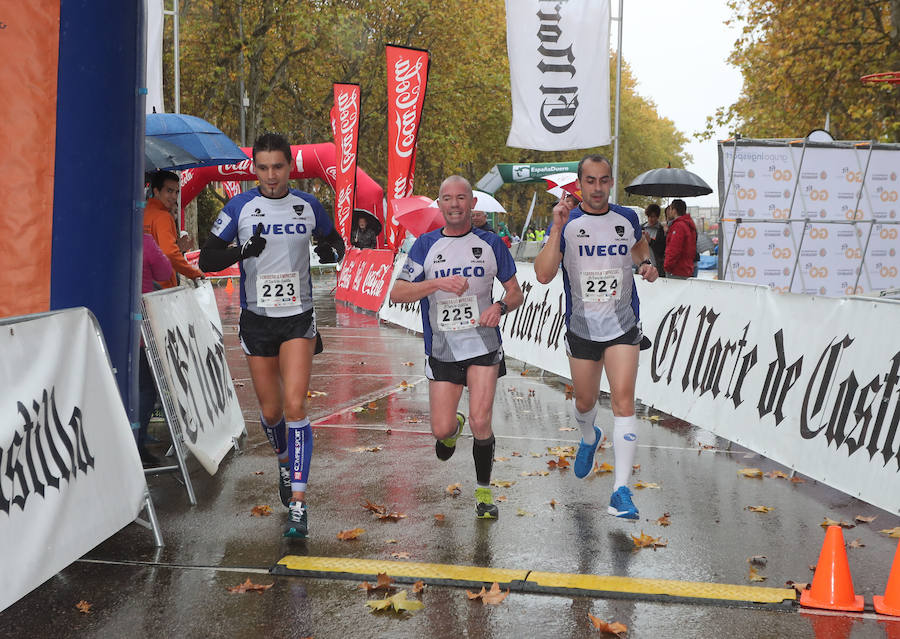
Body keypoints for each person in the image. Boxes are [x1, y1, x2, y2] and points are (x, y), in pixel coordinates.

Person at [198, 132, 346, 538]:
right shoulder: (240, 207)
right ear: (255, 170)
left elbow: (335, 240)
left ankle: (299, 502)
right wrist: (242, 252)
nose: (270, 175)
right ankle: (285, 460)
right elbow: (209, 258)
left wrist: (331, 251)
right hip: (257, 320)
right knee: (271, 412)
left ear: (289, 167)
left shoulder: (308, 205)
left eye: (277, 167)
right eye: (262, 168)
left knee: (296, 406)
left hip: (297, 318)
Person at [389, 176, 523, 519]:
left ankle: (483, 493)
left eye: (461, 198)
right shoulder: (424, 245)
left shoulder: (492, 243)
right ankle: (453, 428)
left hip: (483, 345)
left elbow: (515, 292)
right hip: (443, 349)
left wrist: (500, 307)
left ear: (472, 204)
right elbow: (398, 292)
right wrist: (436, 283)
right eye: (447, 198)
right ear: (440, 204)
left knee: (482, 421)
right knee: (441, 429)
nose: (454, 204)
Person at [534, 154, 658, 520]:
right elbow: (542, 275)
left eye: (604, 180)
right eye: (590, 181)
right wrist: (555, 229)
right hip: (582, 328)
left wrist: (645, 266)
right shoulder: (566, 221)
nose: (598, 188)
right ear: (580, 183)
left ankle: (620, 491)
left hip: (622, 325)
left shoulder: (627, 218)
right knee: (585, 402)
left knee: (623, 401)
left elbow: (638, 250)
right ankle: (589, 436)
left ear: (611, 182)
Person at [137, 233, 173, 466]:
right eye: (169, 191)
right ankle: (137, 445)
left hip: (99, 328)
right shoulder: (144, 241)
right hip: (140, 330)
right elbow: (164, 272)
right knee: (145, 389)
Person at [144, 170, 204, 287]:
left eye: (176, 192)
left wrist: (177, 247)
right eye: (169, 191)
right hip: (162, 289)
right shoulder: (163, 217)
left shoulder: (142, 213)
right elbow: (169, 253)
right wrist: (194, 273)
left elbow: (155, 249)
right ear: (156, 191)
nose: (174, 196)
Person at [663, 198, 697, 279]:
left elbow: (674, 249)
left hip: (676, 270)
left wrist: (667, 266)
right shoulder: (688, 224)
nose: (669, 212)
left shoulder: (678, 226)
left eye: (670, 209)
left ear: (674, 210)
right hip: (686, 268)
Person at [641, 203, 666, 277]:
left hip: (656, 266)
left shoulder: (661, 230)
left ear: (657, 217)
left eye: (653, 217)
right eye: (648, 216)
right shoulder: (641, 228)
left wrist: (651, 242)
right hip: (643, 265)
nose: (650, 219)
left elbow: (662, 249)